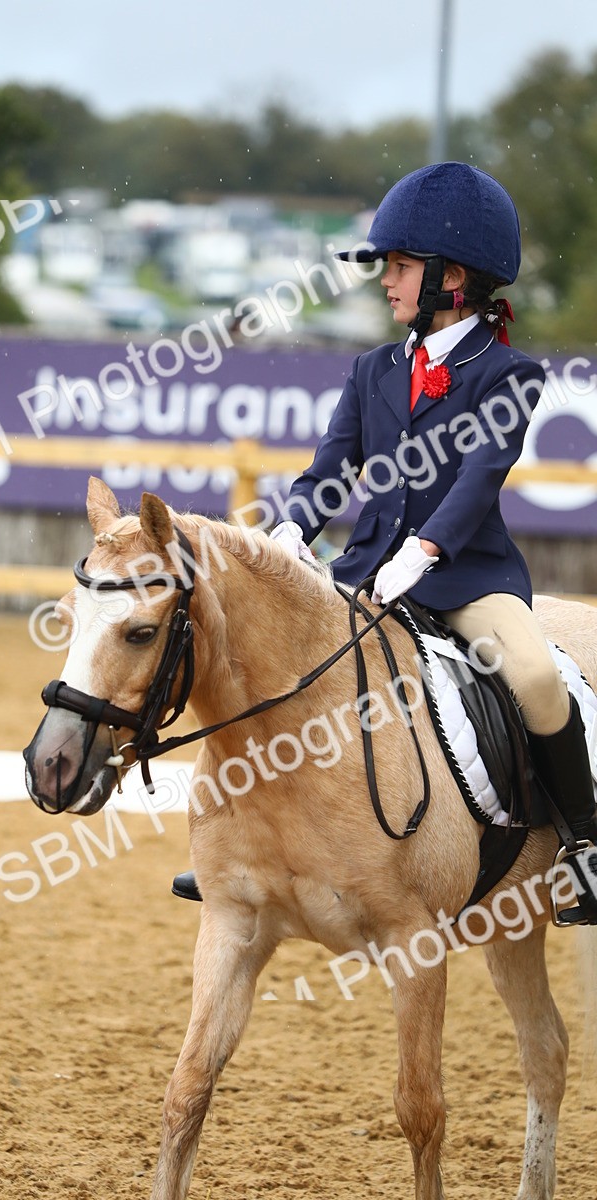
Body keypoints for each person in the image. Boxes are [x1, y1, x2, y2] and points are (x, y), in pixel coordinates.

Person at [173, 162, 597, 922]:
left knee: (537, 677)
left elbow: (479, 480)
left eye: (400, 266)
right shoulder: (373, 370)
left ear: (451, 279)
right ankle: (234, 844)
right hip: (364, 571)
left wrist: (425, 550)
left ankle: (586, 845)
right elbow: (329, 470)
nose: (386, 281)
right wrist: (293, 529)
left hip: (467, 578)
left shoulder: (509, 374)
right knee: (264, 667)